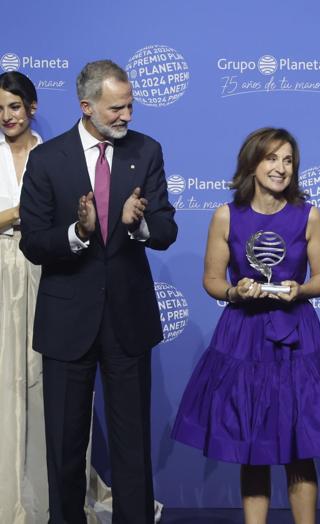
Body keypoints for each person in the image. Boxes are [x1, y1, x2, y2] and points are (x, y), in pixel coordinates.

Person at [171, 127, 320, 524]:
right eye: (272, 158)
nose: (281, 168)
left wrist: (301, 288)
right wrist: (234, 291)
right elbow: (211, 281)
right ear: (252, 162)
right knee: (251, 445)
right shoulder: (226, 215)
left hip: (297, 336)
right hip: (242, 337)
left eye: (288, 160)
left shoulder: (308, 214)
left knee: (299, 446)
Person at [19, 59, 177, 523]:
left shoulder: (146, 151)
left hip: (128, 320)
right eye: (116, 108)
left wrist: (140, 223)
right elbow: (33, 242)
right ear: (86, 106)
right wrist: (77, 232)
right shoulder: (47, 159)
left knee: (133, 446)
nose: (127, 116)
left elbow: (166, 228)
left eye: (129, 106)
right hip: (67, 321)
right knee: (65, 446)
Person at [0, 70, 46, 524]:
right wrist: (21, 212)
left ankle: (43, 493)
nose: (6, 116)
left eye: (14, 106)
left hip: (44, 271)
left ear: (31, 107)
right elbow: (36, 213)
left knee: (39, 378)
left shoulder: (51, 155)